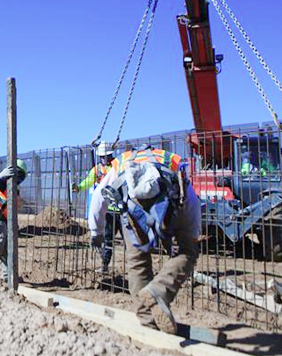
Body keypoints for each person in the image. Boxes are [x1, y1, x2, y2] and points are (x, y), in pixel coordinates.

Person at [88, 145, 201, 334]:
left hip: (133, 210)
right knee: (187, 252)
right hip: (169, 207)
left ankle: (148, 320)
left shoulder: (122, 162)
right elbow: (191, 198)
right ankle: (159, 290)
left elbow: (99, 197)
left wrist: (95, 231)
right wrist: (191, 235)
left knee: (137, 262)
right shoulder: (170, 158)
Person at [73, 141, 120, 274]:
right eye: (103, 157)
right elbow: (89, 181)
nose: (105, 159)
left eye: (107, 156)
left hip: (121, 208)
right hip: (108, 209)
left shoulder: (118, 166)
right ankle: (105, 264)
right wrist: (79, 188)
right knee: (108, 238)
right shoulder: (97, 170)